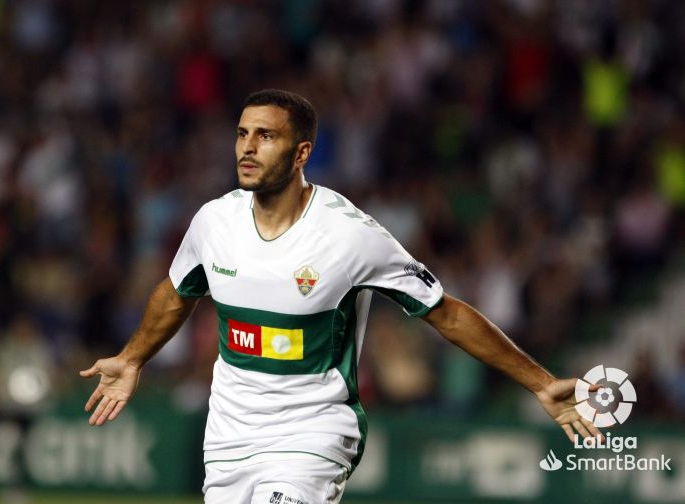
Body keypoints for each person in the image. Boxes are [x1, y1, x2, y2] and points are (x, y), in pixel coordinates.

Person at [80, 89, 602, 504]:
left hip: (313, 433)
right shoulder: (214, 222)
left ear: (302, 151)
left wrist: (541, 382)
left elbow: (445, 314)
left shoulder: (350, 236)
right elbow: (176, 295)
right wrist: (132, 358)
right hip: (229, 438)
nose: (247, 147)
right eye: (242, 134)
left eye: (265, 136)